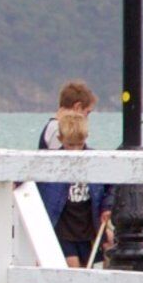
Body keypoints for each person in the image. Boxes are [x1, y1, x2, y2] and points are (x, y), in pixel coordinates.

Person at [41, 80, 103, 267]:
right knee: (71, 267)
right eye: (88, 113)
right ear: (78, 107)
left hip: (81, 222)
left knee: (84, 267)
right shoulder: (55, 131)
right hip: (63, 220)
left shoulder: (54, 128)